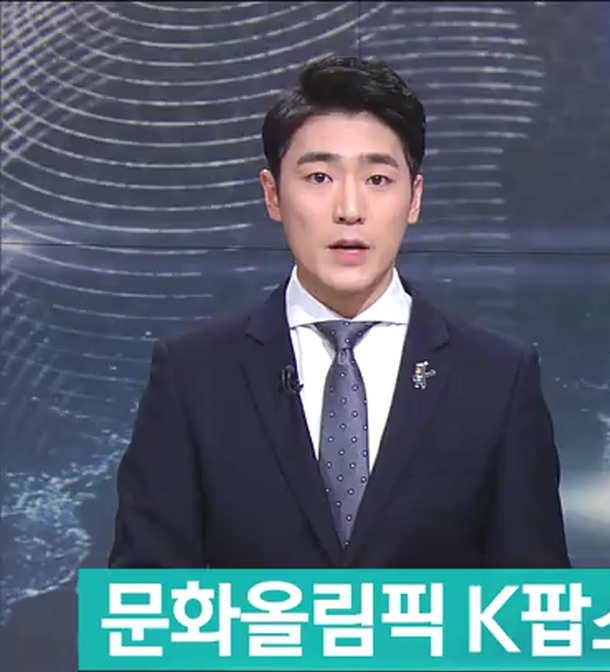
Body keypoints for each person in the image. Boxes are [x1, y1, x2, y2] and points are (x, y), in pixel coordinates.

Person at [109, 56, 569, 569]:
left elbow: (536, 602)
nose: (349, 209)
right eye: (319, 177)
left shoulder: (497, 379)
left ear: (414, 198)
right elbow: (143, 600)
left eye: (378, 179)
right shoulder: (193, 376)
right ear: (273, 194)